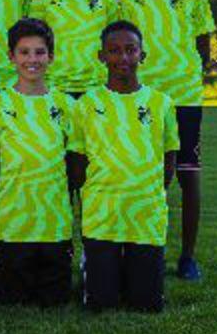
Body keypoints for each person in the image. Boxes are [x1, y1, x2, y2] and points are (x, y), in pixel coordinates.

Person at [120, 0, 216, 280]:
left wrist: (186, 77)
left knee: (188, 176)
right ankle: (145, 251)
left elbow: (203, 47)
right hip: (144, 98)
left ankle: (188, 257)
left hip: (185, 99)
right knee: (147, 177)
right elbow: (124, 47)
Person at [69, 20, 179, 313]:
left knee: (146, 304)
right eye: (114, 50)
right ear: (101, 56)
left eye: (131, 50)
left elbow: (169, 157)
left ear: (143, 55)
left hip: (146, 215)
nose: (123, 57)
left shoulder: (162, 103)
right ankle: (93, 269)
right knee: (101, 303)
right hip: (102, 216)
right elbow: (77, 164)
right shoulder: (86, 105)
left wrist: (150, 192)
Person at [0, 18, 74, 306]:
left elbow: (74, 161)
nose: (32, 59)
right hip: (14, 220)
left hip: (54, 220)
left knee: (54, 299)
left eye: (40, 52)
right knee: (14, 298)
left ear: (51, 57)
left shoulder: (67, 105)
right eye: (24, 52)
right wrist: (3, 195)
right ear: (11, 56)